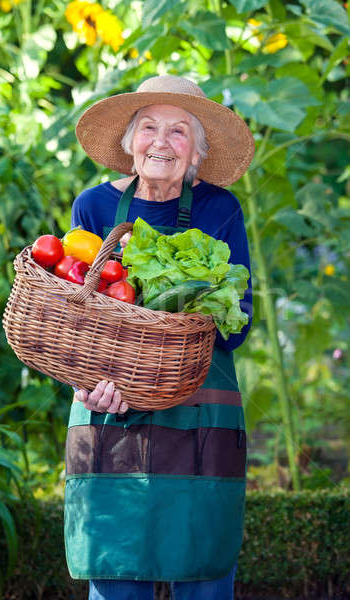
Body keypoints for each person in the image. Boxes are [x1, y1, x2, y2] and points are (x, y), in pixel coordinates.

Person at [65, 75, 254, 600]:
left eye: (178, 131)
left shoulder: (222, 210)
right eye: (149, 127)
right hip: (111, 407)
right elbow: (74, 310)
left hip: (199, 408)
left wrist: (175, 333)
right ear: (129, 142)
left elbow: (238, 322)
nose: (161, 142)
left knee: (203, 570)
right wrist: (83, 380)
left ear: (198, 149)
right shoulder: (94, 208)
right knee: (117, 570)